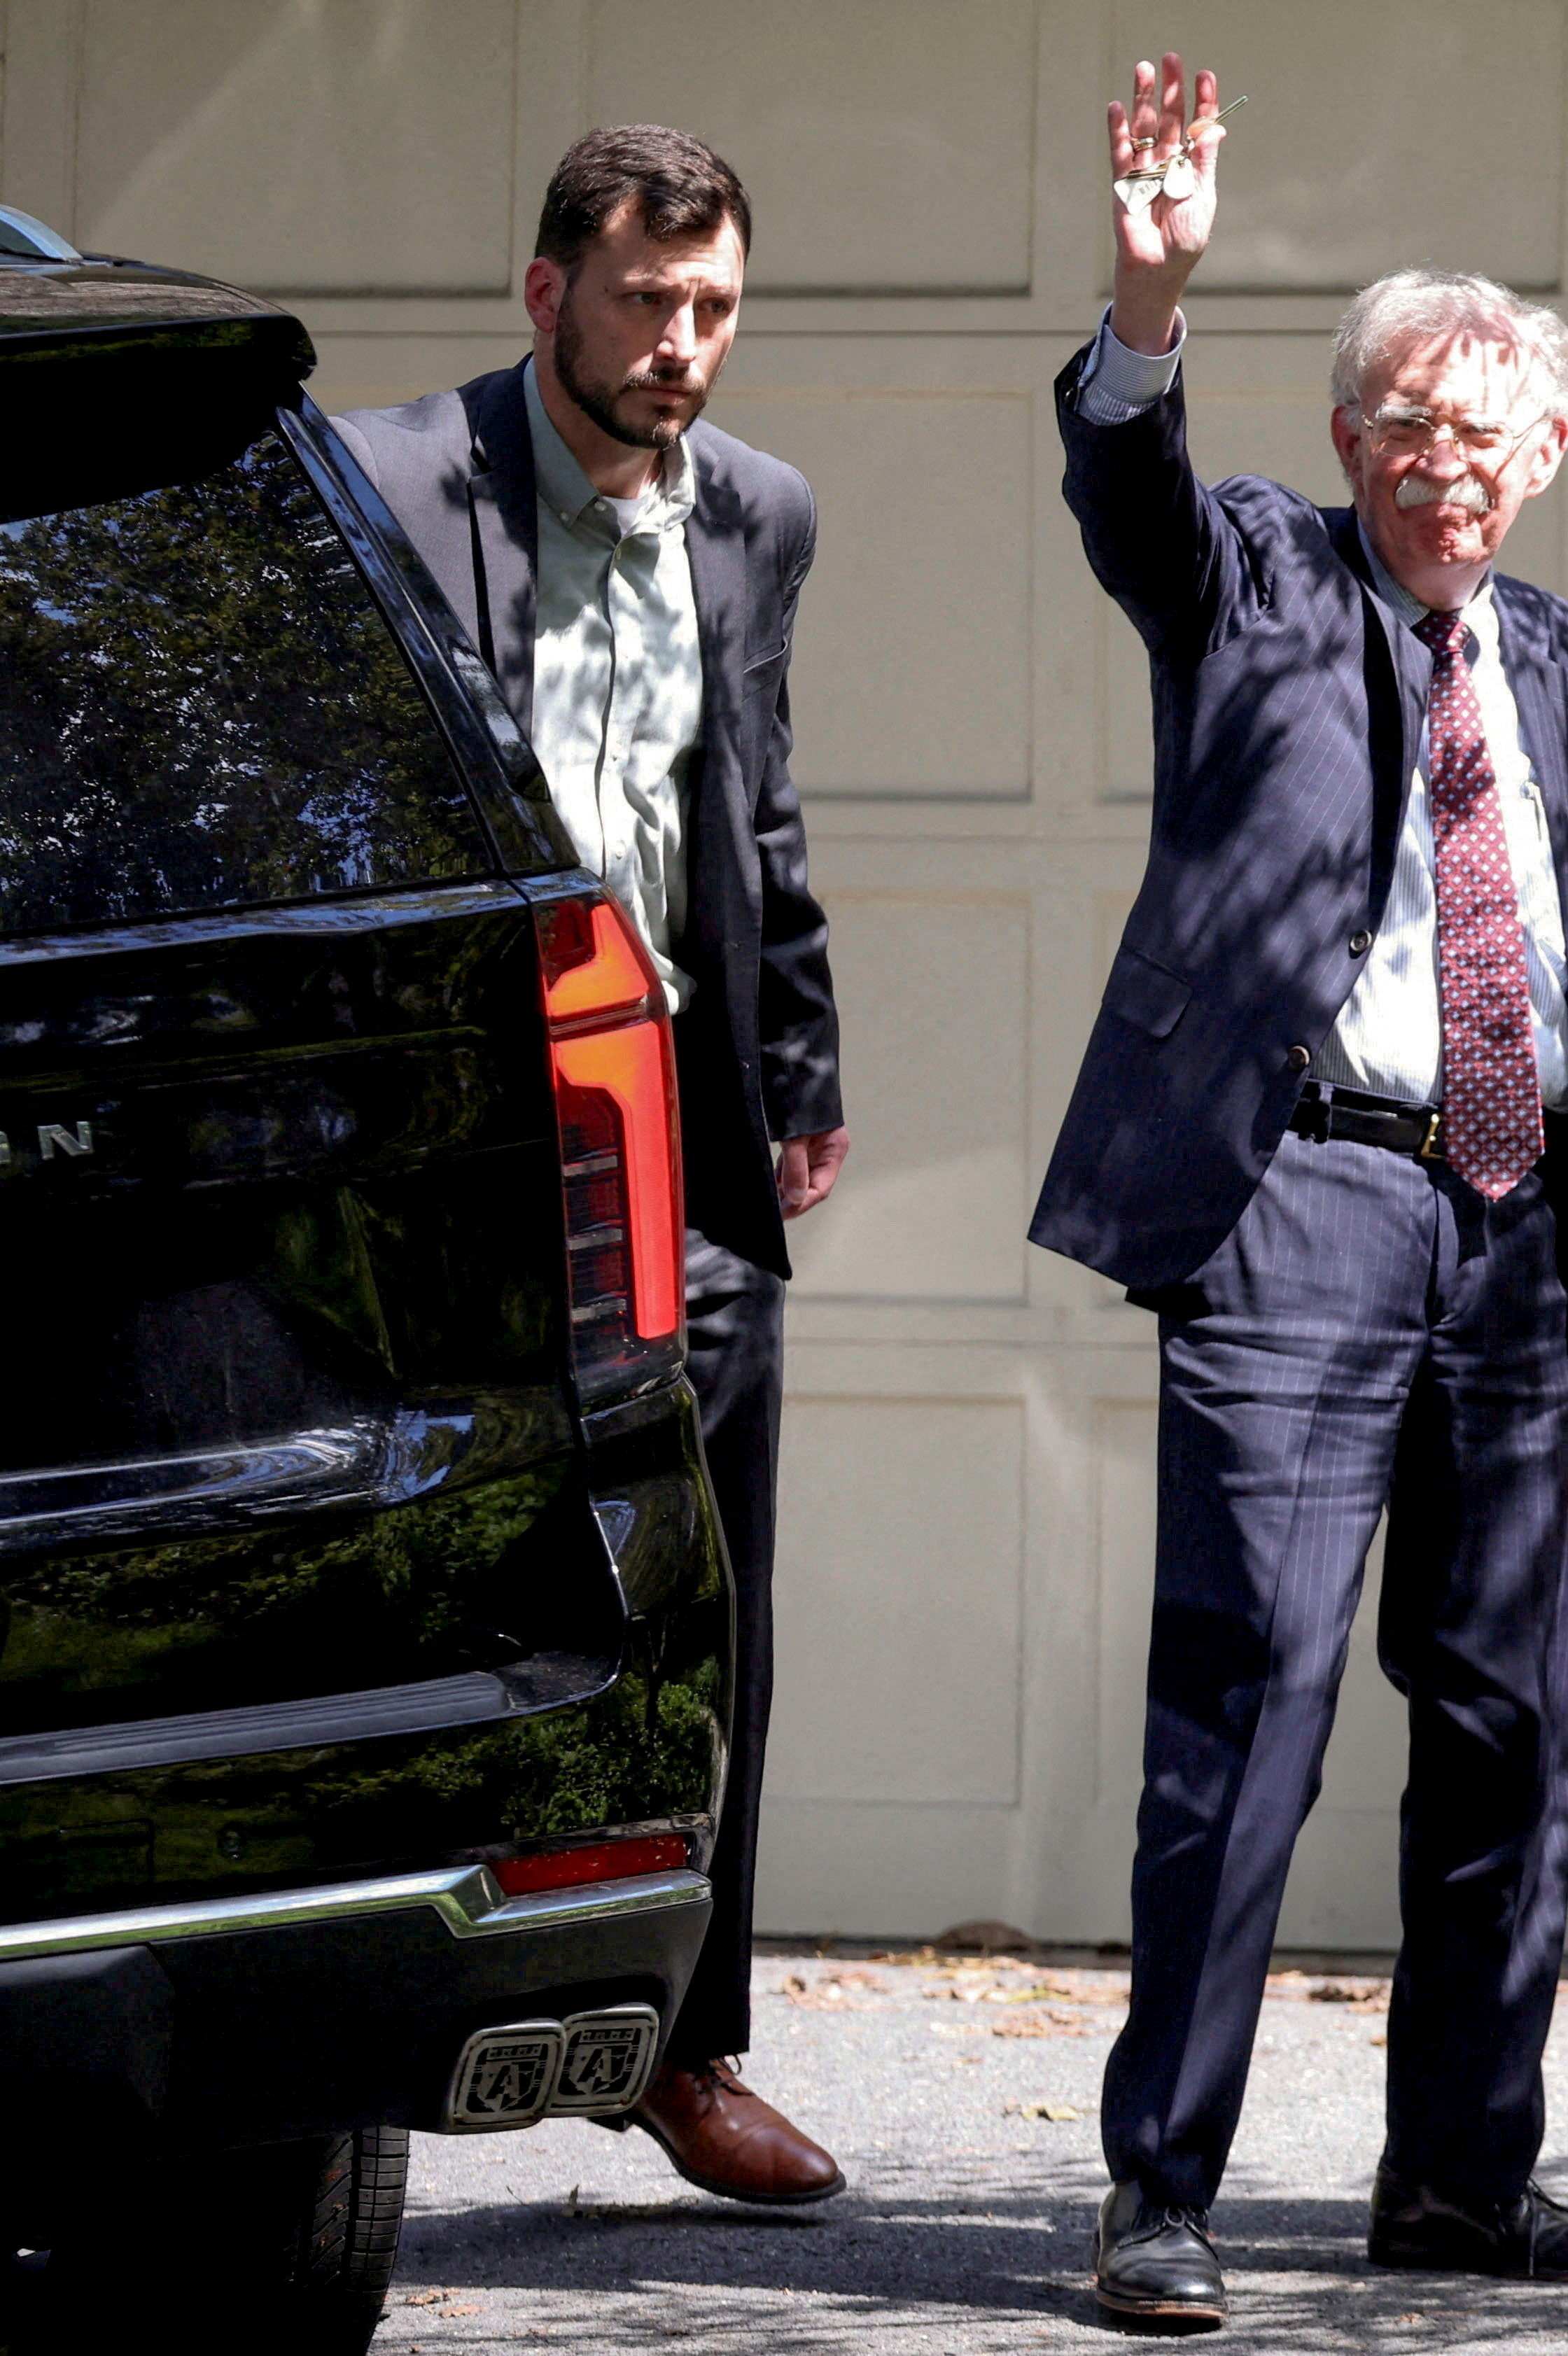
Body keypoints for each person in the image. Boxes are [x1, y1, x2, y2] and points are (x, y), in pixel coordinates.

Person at [1032, 52, 1568, 2329]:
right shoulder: (1250, 578)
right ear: (1350, 444)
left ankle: (1460, 2176)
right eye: (1404, 430)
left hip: (1521, 1233)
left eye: (1486, 432)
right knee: (1246, 1702)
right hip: (1298, 1209)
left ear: (1547, 453)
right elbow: (1125, 485)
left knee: (1512, 1722)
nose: (1446, 469)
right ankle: (1165, 2192)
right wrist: (1151, 295)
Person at [337, 125, 850, 2207]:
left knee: (710, 1590)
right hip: (449, 1139)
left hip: (671, 1137)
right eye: (648, 301)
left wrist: (800, 1068)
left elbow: (761, 808)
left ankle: (690, 2047)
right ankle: (346, 2029)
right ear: (547, 292)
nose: (683, 345)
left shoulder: (760, 514)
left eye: (715, 305)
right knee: (419, 1563)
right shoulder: (383, 482)